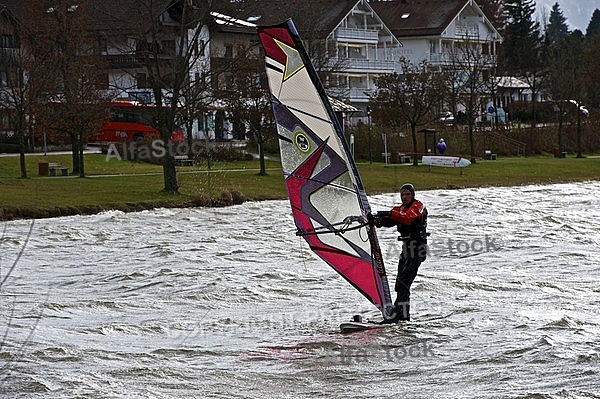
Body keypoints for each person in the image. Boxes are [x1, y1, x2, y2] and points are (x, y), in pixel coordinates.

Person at [371, 183, 428, 323]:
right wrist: (376, 220)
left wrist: (389, 213)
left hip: (418, 248)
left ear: (412, 195)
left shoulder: (418, 206)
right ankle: (402, 315)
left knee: (404, 282)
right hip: (406, 249)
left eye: (407, 194)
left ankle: (399, 315)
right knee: (400, 282)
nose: (404, 197)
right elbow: (388, 221)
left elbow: (407, 218)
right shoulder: (399, 209)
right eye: (402, 194)